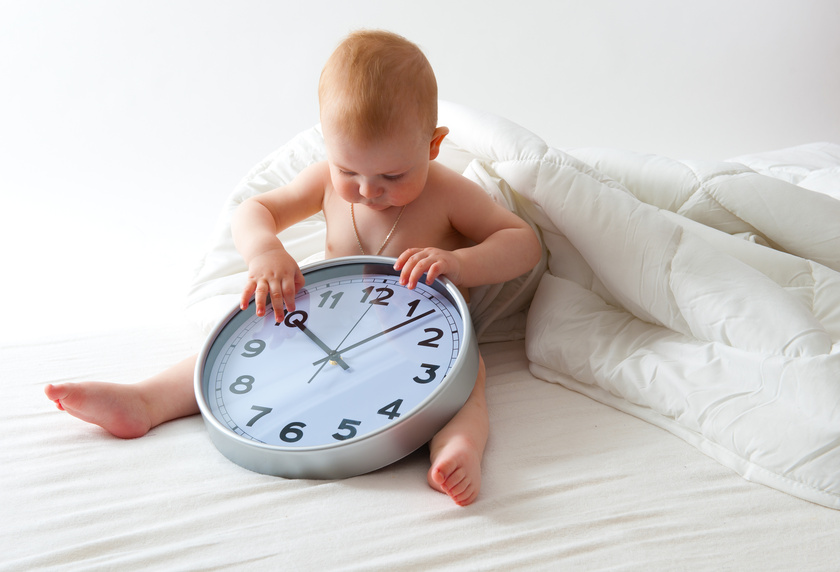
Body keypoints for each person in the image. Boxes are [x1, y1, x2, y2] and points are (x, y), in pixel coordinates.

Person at [44, 30, 542, 507]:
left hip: (422, 335)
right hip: (325, 322)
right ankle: (144, 401)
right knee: (242, 354)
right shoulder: (323, 180)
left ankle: (458, 450)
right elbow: (253, 211)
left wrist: (458, 261)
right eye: (350, 171)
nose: (369, 190)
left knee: (466, 386)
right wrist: (265, 253)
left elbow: (523, 243)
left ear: (431, 147)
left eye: (393, 175)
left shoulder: (447, 193)